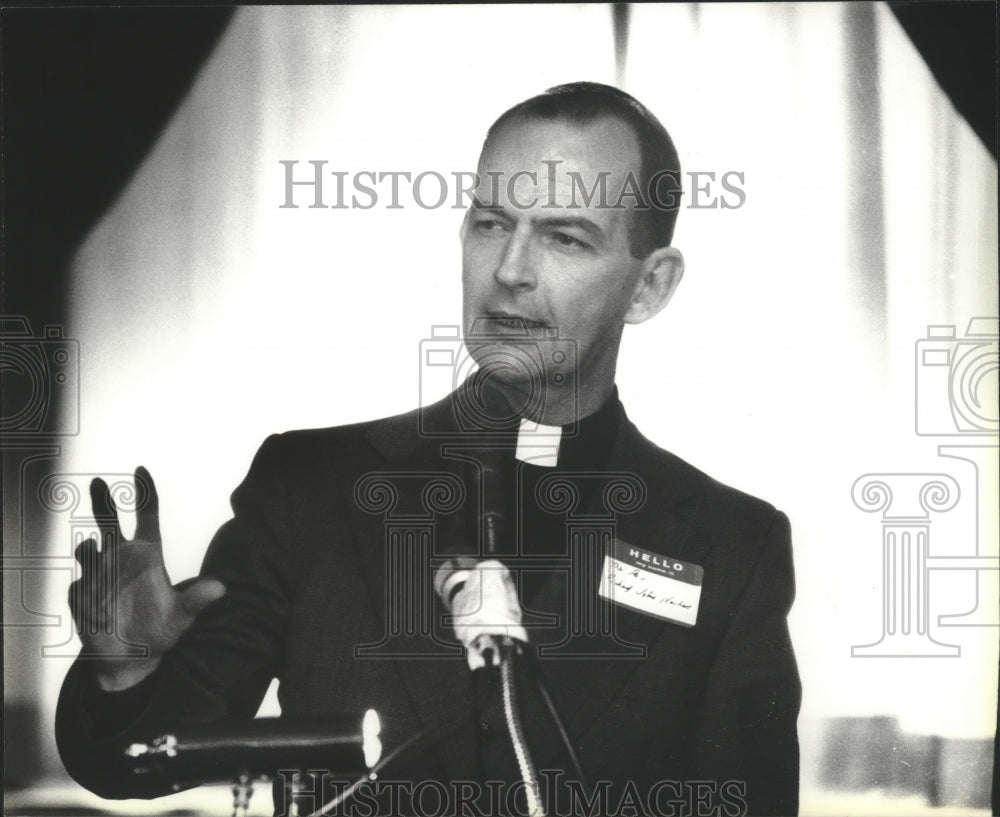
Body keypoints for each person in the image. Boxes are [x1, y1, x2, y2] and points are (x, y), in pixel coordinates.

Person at [57, 82, 801, 817]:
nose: (510, 270)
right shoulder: (310, 488)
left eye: (565, 238)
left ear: (649, 287)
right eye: (491, 224)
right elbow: (139, 763)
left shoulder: (732, 547)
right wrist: (126, 673)